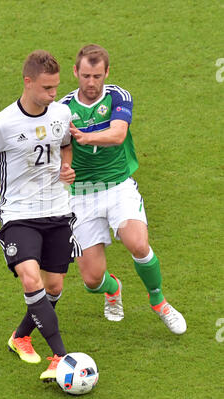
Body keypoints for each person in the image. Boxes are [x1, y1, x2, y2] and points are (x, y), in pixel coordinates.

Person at [0, 50, 81, 382]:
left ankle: (20, 336)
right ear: (28, 82)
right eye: (47, 88)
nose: (54, 95)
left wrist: (67, 166)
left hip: (57, 210)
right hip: (19, 215)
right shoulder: (2, 124)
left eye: (56, 88)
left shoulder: (61, 113)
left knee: (53, 287)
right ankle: (61, 358)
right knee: (30, 278)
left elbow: (66, 143)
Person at [60, 44, 186, 334]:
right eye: (86, 76)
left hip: (118, 187)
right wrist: (63, 170)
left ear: (107, 73)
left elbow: (118, 134)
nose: (91, 83)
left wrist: (85, 136)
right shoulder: (63, 109)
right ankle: (113, 289)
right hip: (81, 195)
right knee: (92, 280)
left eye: (97, 76)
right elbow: (58, 150)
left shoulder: (118, 96)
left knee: (138, 244)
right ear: (76, 72)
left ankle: (159, 302)